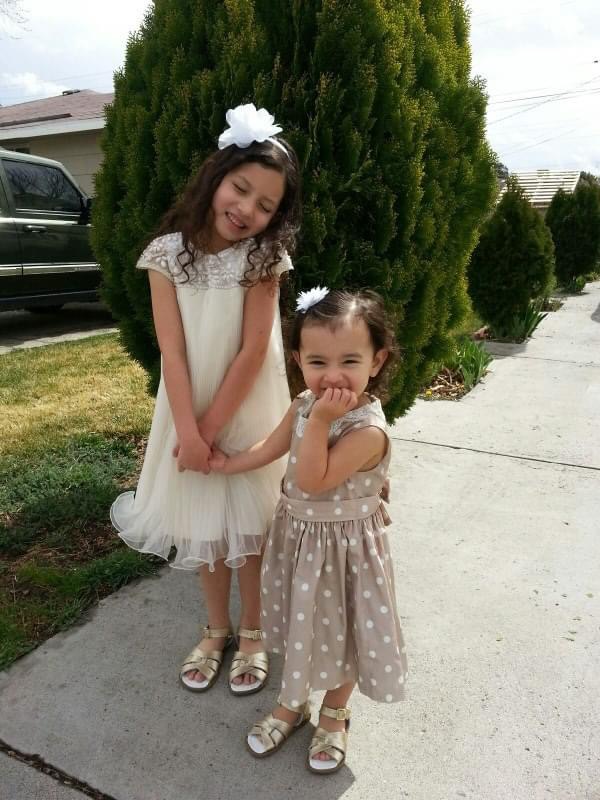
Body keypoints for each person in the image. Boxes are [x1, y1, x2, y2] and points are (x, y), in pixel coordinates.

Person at [110, 103, 301, 697]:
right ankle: (216, 628)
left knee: (251, 529)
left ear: (275, 217)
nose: (246, 209)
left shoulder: (264, 258)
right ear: (216, 177)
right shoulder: (166, 254)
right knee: (208, 527)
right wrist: (191, 434)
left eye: (265, 205)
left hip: (247, 405)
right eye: (240, 189)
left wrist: (214, 429)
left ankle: (254, 631)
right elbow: (172, 351)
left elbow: (253, 351)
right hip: (186, 410)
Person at [209, 287, 408, 774]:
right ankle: (292, 705)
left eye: (349, 361)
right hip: (300, 542)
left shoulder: (367, 431)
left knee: (346, 632)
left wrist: (320, 420)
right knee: (303, 628)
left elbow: (313, 478)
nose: (332, 375)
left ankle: (335, 713)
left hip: (345, 552)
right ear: (298, 360)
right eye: (318, 362)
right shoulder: (304, 403)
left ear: (377, 361)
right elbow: (273, 447)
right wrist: (227, 463)